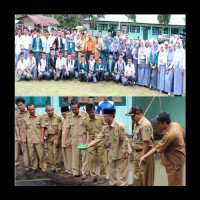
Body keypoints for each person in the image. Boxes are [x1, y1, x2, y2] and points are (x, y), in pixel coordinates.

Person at [86, 108, 132, 186]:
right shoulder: (105, 126)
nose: (104, 118)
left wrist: (124, 152)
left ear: (111, 116)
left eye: (105, 116)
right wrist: (90, 144)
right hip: (112, 152)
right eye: (103, 116)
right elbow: (100, 136)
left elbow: (125, 140)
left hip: (121, 153)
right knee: (112, 173)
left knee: (122, 175)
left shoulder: (120, 126)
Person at [139, 112, 185, 186]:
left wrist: (143, 157)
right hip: (177, 160)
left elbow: (156, 149)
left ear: (164, 123)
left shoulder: (170, 135)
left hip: (174, 163)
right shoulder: (176, 124)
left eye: (158, 123)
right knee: (176, 182)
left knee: (175, 183)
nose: (157, 125)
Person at [125, 106, 155, 186]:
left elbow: (146, 142)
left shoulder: (145, 124)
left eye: (133, 116)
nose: (131, 118)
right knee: (137, 177)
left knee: (146, 178)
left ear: (139, 114)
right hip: (137, 153)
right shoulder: (136, 124)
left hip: (144, 153)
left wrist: (143, 156)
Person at [82, 104, 107, 184]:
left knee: (102, 160)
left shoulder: (101, 118)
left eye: (92, 112)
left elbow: (107, 130)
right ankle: (93, 177)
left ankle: (103, 177)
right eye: (89, 113)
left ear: (95, 110)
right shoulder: (84, 120)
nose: (91, 114)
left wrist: (107, 141)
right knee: (91, 160)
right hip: (91, 142)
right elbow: (84, 133)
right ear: (86, 112)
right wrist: (84, 144)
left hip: (101, 141)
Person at [65, 99, 89, 179]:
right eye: (73, 109)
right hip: (74, 139)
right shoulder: (69, 116)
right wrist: (66, 139)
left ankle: (84, 173)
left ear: (79, 108)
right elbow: (67, 128)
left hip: (83, 139)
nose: (74, 111)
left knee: (84, 156)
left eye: (76, 109)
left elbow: (88, 127)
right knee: (75, 156)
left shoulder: (85, 114)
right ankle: (75, 172)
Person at [23, 103, 47, 174]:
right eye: (30, 110)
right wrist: (25, 138)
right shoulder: (26, 118)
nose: (32, 111)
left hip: (39, 139)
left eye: (33, 109)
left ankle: (44, 169)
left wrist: (42, 138)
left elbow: (43, 128)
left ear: (35, 108)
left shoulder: (40, 117)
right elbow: (25, 129)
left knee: (41, 154)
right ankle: (35, 168)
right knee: (32, 155)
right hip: (30, 139)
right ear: (27, 110)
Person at [41, 105, 62, 173]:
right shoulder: (44, 117)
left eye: (51, 110)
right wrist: (45, 131)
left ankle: (58, 167)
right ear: (46, 111)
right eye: (49, 111)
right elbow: (43, 127)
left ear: (54, 109)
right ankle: (53, 168)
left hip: (56, 136)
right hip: (48, 138)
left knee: (56, 152)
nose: (50, 112)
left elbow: (59, 130)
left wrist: (58, 140)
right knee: (50, 153)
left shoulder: (58, 117)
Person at [15, 97, 31, 170]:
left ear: (24, 104)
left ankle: (33, 165)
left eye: (20, 105)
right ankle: (26, 166)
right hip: (21, 134)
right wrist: (18, 136)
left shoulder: (29, 112)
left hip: (31, 134)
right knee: (24, 150)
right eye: (18, 105)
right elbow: (16, 126)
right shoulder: (16, 114)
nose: (19, 107)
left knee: (32, 150)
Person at [60, 106, 73, 175]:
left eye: (64, 114)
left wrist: (71, 141)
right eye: (62, 114)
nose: (63, 115)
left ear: (68, 112)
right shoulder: (63, 120)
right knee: (65, 156)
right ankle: (67, 169)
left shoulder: (71, 120)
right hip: (63, 141)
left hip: (69, 141)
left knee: (69, 156)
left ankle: (71, 170)